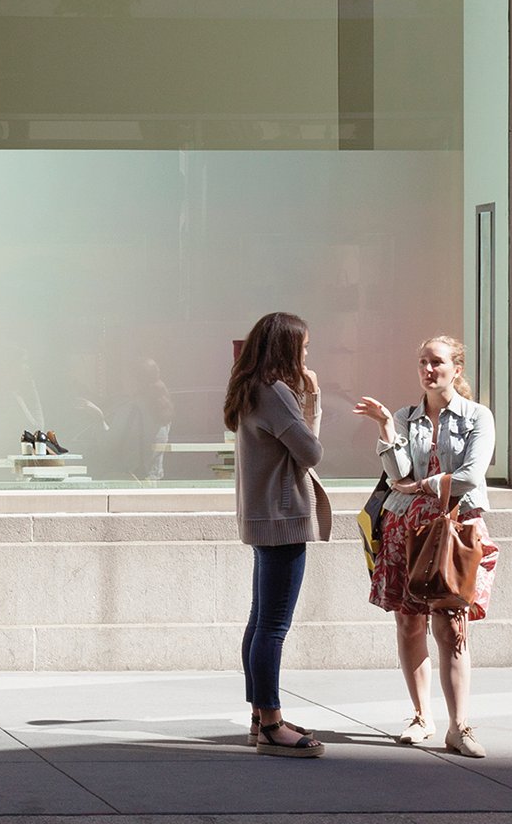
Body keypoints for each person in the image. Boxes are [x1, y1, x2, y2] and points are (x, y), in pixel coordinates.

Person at [351, 335, 499, 759]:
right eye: (422, 363)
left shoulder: (476, 416)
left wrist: (423, 484)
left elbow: (471, 476)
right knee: (408, 622)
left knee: (452, 626)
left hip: (454, 528)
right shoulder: (406, 416)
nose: (428, 370)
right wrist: (386, 428)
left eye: (436, 362)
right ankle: (421, 716)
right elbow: (396, 472)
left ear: (457, 368)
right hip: (404, 528)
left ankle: (460, 726)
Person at [225, 311, 331, 757]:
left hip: (265, 517)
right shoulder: (277, 393)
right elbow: (311, 450)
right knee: (272, 626)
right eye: (304, 347)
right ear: (288, 348)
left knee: (260, 621)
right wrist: (313, 396)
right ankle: (270, 724)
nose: (308, 354)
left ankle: (260, 715)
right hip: (283, 519)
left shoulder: (251, 390)